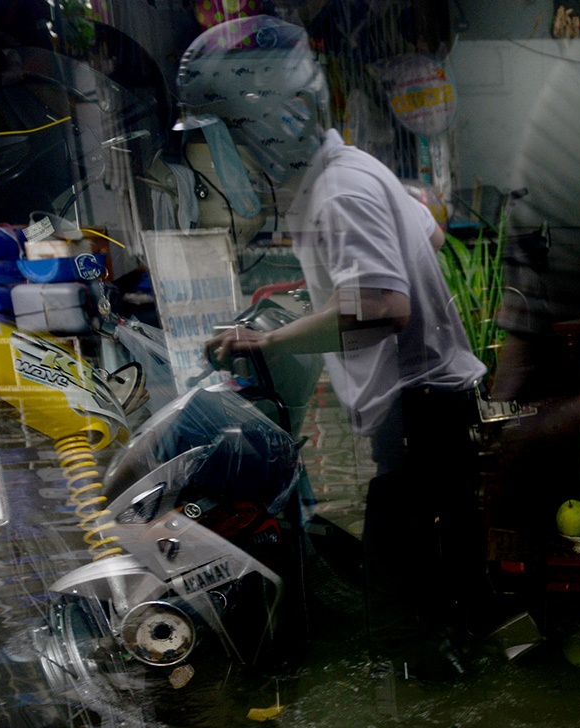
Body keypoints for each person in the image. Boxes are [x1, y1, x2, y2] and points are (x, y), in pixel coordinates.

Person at [178, 16, 501, 643]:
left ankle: (430, 715)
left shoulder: (338, 192)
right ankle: (462, 693)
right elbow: (428, 236)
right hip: (434, 414)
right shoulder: (352, 169)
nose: (229, 155)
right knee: (446, 587)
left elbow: (382, 304)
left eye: (233, 135)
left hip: (420, 417)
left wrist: (269, 340)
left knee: (402, 606)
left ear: (268, 126)